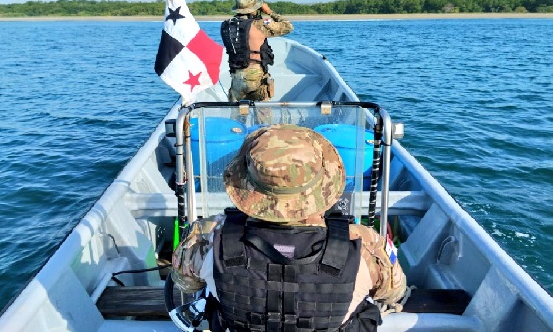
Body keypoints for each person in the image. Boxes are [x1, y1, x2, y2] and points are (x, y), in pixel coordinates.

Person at [171, 124, 407, 331]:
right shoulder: (364, 243)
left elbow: (186, 284)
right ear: (323, 181)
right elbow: (393, 292)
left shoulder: (207, 235)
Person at [220, 0, 294, 105]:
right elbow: (288, 26)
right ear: (253, 9)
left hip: (237, 76)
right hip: (256, 75)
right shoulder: (262, 23)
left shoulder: (227, 25)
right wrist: (269, 12)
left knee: (237, 113)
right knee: (263, 113)